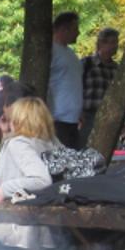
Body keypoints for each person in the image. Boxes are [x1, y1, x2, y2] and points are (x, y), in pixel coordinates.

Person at [0, 97, 61, 249]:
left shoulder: (19, 143)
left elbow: (41, 180)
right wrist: (6, 134)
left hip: (18, 225)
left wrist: (3, 190)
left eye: (12, 118)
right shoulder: (50, 141)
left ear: (18, 120)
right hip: (40, 219)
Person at [46, 11, 83, 149]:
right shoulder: (51, 51)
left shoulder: (71, 54)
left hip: (73, 119)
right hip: (57, 118)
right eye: (75, 29)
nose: (78, 32)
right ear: (63, 29)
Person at [80, 27, 120, 143]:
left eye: (115, 42)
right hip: (87, 116)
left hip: (109, 119)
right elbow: (75, 89)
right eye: (111, 42)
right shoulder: (86, 63)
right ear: (101, 43)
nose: (114, 46)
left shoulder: (117, 69)